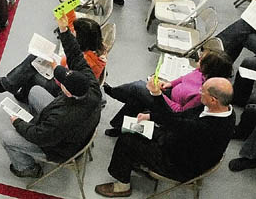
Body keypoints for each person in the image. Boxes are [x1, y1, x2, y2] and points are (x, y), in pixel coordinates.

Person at [94, 78, 235, 198]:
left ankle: (122, 186)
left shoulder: (206, 127)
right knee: (142, 129)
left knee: (126, 140)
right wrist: (151, 117)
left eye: (202, 91)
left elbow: (176, 124)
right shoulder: (225, 109)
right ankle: (139, 160)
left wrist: (156, 95)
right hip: (183, 145)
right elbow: (179, 117)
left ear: (213, 99)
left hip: (180, 164)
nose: (199, 93)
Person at [0, 13, 102, 178]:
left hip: (59, 147)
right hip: (72, 128)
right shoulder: (91, 86)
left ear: (67, 91)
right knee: (35, 92)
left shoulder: (63, 118)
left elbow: (39, 136)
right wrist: (63, 30)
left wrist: (17, 122)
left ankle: (26, 168)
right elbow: (76, 56)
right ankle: (36, 122)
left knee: (7, 137)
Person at [104, 49, 233, 137]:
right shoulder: (201, 72)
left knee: (138, 87)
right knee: (138, 97)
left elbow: (179, 112)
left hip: (169, 107)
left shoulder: (204, 92)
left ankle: (114, 93)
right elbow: (185, 78)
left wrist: (158, 94)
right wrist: (170, 84)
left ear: (209, 68)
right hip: (169, 93)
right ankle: (119, 125)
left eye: (202, 61)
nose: (198, 60)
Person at [0, 17, 106, 102]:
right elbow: (72, 25)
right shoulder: (96, 47)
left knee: (34, 71)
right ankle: (9, 86)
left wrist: (55, 65)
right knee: (35, 59)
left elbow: (69, 80)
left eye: (74, 33)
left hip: (63, 88)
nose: (72, 33)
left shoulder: (88, 62)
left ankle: (11, 87)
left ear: (82, 39)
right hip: (64, 70)